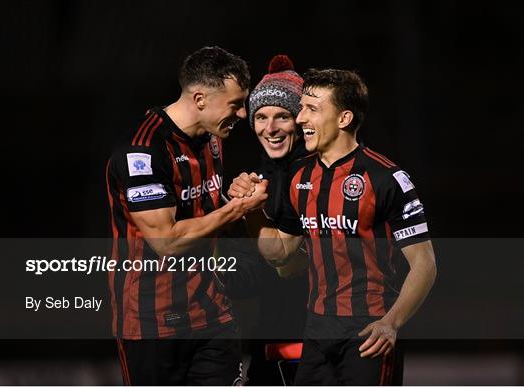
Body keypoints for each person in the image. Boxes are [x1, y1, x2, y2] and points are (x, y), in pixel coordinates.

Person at [230, 68, 437, 385]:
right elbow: (281, 253)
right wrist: (251, 210)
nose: (300, 120)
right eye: (302, 110)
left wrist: (391, 323)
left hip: (369, 332)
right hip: (317, 332)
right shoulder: (300, 179)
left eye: (312, 110)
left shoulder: (386, 178)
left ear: (343, 119)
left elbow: (424, 264)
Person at [105, 46, 267, 385]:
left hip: (212, 314)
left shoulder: (212, 139)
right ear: (199, 99)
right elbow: (168, 241)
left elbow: (203, 208)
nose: (242, 115)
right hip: (152, 323)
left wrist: (234, 194)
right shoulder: (143, 153)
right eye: (235, 104)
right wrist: (235, 209)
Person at [225, 54, 311, 385]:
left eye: (282, 116)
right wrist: (229, 212)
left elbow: (286, 265)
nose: (270, 128)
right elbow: (245, 273)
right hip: (271, 334)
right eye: (261, 117)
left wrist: (248, 211)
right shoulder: (262, 175)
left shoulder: (313, 175)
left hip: (312, 336)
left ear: (301, 121)